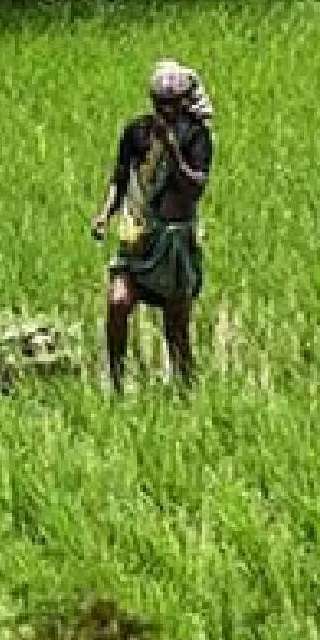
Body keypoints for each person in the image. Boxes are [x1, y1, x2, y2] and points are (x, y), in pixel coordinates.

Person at [90, 59, 214, 393]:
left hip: (174, 241)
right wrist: (105, 213)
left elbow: (195, 187)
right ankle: (114, 382)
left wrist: (174, 153)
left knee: (176, 329)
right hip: (139, 235)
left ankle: (188, 394)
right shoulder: (137, 132)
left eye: (174, 105)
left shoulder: (196, 137)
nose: (167, 111)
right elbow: (120, 177)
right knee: (117, 303)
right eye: (161, 104)